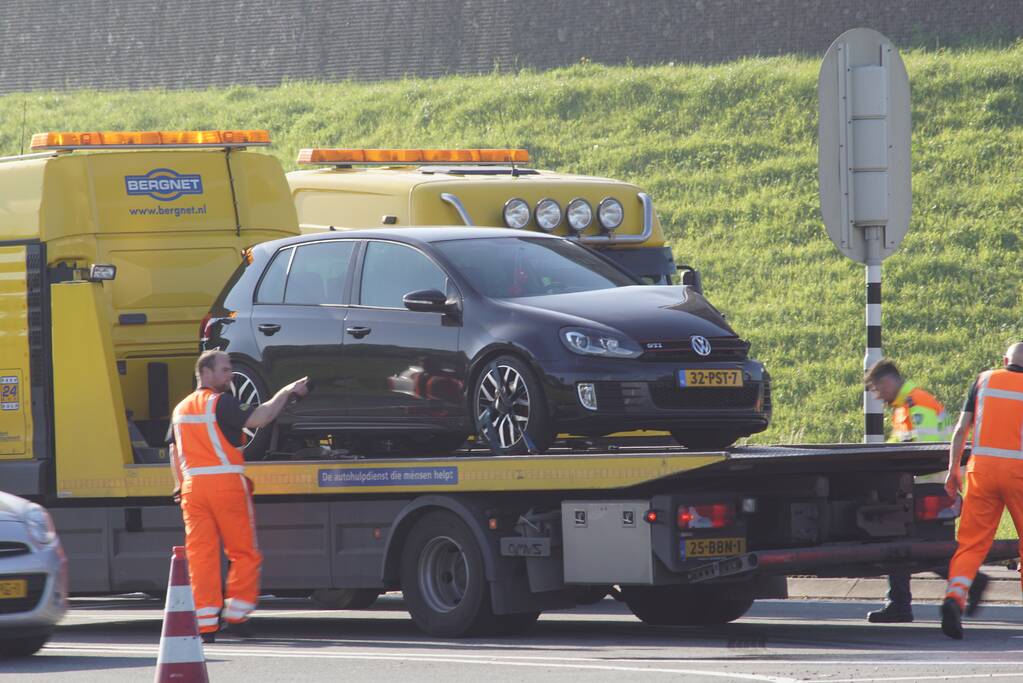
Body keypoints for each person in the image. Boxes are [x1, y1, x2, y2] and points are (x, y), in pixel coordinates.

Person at [169, 350, 308, 643]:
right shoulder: (221, 402)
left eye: (230, 369)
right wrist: (285, 392)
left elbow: (173, 451)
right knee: (243, 552)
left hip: (192, 490)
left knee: (201, 557)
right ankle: (237, 615)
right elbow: (261, 417)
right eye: (223, 370)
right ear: (205, 373)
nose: (229, 374)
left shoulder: (180, 409)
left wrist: (179, 486)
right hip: (226, 484)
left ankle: (205, 625)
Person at [862, 359, 981, 623]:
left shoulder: (917, 404)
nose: (878, 396)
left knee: (917, 547)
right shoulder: (906, 405)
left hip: (927, 483)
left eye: (877, 390)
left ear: (887, 382)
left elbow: (926, 448)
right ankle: (899, 604)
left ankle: (970, 583)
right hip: (921, 483)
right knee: (901, 544)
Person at [941, 342, 1023, 639]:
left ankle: (954, 598)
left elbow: (961, 428)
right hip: (1019, 475)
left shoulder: (984, 379)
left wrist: (953, 469)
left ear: (1004, 360)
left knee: (971, 543)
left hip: (981, 470)